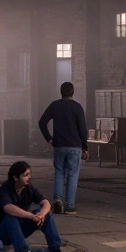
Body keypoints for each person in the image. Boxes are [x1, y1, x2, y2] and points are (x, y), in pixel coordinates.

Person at [0, 161, 77, 252]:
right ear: (15, 177)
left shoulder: (28, 189)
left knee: (46, 214)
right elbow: (8, 208)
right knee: (11, 216)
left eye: (29, 174)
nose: (29, 177)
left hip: (19, 229)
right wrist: (30, 216)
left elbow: (45, 203)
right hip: (2, 233)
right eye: (26, 175)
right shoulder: (4, 190)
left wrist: (41, 215)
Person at [37, 82, 88, 214]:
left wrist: (49, 138)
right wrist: (85, 147)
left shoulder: (54, 105)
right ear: (73, 92)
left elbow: (42, 122)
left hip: (59, 145)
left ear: (61, 92)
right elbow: (82, 129)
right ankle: (70, 206)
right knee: (72, 175)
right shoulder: (77, 107)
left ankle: (58, 201)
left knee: (59, 173)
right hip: (74, 146)